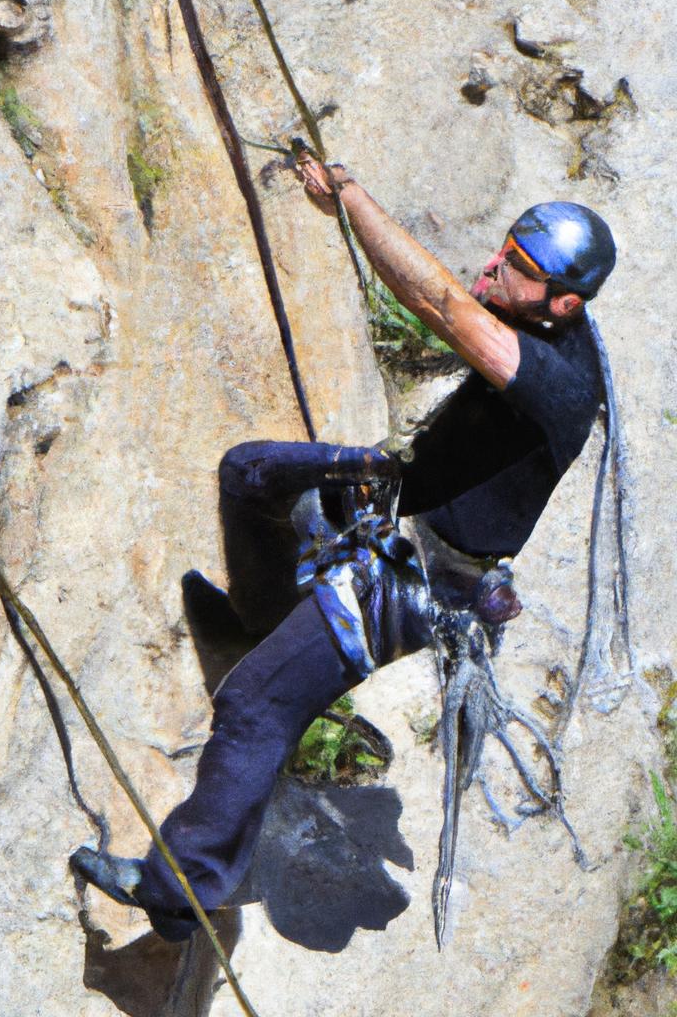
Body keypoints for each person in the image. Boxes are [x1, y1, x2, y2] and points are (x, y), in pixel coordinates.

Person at [70, 153, 617, 942]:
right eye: (507, 251)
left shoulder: (561, 388)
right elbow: (462, 300)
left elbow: (443, 306)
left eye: (520, 270)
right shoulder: (543, 316)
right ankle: (266, 617)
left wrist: (353, 201)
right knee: (251, 473)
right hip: (395, 502)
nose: (496, 266)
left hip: (418, 578)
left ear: (564, 304)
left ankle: (182, 890)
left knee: (256, 704)